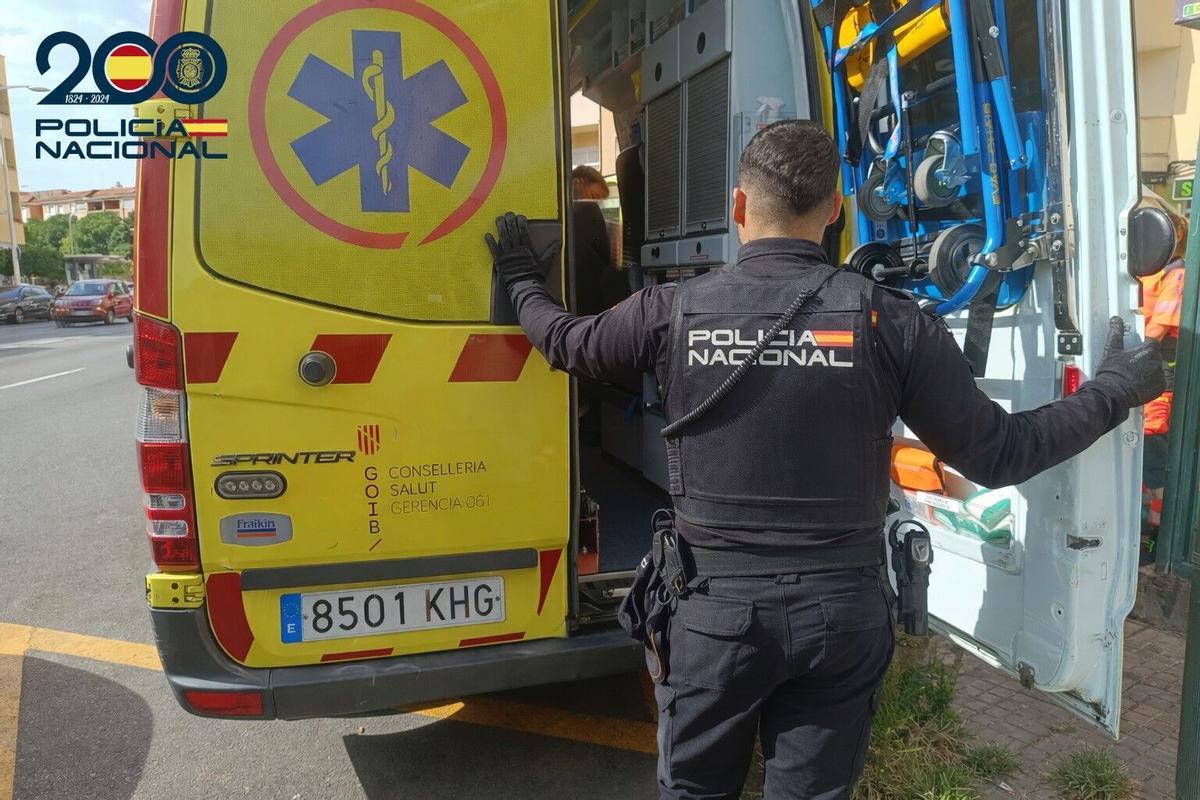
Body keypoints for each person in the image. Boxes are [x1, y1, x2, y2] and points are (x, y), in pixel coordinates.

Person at [485, 119, 1164, 800]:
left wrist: (518, 275)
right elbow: (1002, 452)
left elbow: (567, 342)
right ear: (835, 209)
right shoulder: (889, 319)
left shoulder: (673, 310)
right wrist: (1115, 392)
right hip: (841, 616)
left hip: (713, 615)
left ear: (738, 207)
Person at [1138, 214, 1187, 553]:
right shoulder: (1151, 271)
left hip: (1158, 371)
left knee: (1155, 456)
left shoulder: (1177, 274)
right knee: (1144, 455)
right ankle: (1148, 528)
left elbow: (1156, 330)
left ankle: (1160, 541)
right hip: (1145, 368)